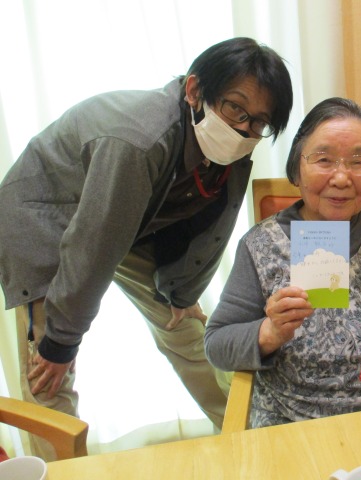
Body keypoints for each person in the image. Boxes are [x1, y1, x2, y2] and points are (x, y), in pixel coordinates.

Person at [0, 37, 293, 458]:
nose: (244, 129)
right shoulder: (138, 141)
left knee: (185, 330)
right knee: (48, 371)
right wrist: (61, 343)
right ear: (194, 90)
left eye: (259, 122)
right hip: (46, 216)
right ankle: (62, 470)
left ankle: (255, 436)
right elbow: (94, 247)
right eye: (235, 108)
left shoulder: (225, 145)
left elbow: (210, 225)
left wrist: (182, 293)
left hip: (130, 220)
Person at [204, 97, 361, 427]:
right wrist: (269, 332)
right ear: (296, 168)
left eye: (358, 161)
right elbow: (217, 343)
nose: (341, 178)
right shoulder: (260, 244)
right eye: (324, 159)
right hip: (298, 418)